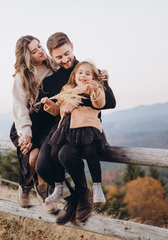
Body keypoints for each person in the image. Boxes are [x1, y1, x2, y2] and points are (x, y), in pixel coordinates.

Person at [35, 32, 116, 225]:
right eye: (59, 57)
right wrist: (25, 136)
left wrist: (78, 101)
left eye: (67, 53)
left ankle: (84, 198)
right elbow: (47, 112)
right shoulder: (51, 81)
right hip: (61, 128)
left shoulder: (87, 71)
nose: (64, 60)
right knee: (43, 165)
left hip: (84, 128)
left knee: (65, 155)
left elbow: (110, 102)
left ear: (72, 46)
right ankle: (72, 199)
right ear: (51, 56)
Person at [40, 61, 107, 206]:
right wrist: (49, 105)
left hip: (87, 125)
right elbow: (58, 109)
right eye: (80, 73)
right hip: (66, 128)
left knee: (90, 151)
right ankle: (60, 186)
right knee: (54, 152)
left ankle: (97, 187)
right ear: (74, 76)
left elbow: (100, 103)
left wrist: (95, 90)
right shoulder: (67, 89)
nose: (83, 76)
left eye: (88, 74)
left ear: (93, 77)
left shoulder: (93, 88)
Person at [10, 35, 58, 214]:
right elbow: (20, 108)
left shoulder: (54, 68)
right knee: (31, 156)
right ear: (27, 56)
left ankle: (43, 192)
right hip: (27, 125)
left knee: (42, 156)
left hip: (48, 124)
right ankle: (26, 185)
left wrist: (101, 72)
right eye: (34, 51)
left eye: (40, 46)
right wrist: (26, 134)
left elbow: (77, 71)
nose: (40, 51)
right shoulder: (22, 77)